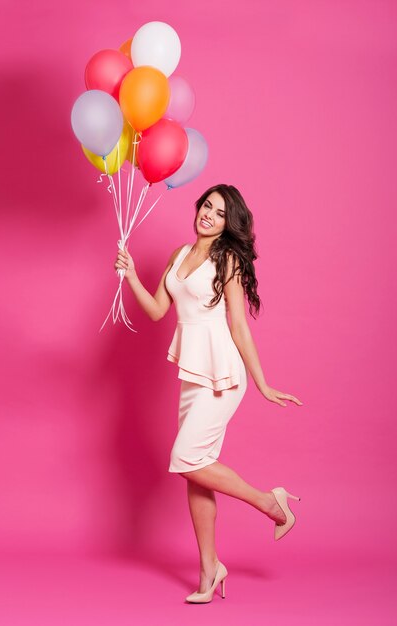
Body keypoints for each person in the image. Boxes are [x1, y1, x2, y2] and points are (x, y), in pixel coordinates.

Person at [114, 183, 303, 604]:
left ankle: (270, 503)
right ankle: (209, 570)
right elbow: (159, 310)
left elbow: (238, 326)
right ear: (198, 207)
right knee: (196, 473)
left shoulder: (228, 259)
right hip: (191, 371)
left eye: (219, 213)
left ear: (226, 224)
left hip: (222, 371)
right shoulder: (178, 256)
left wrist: (262, 382)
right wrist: (130, 277)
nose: (209, 215)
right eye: (207, 206)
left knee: (186, 458)